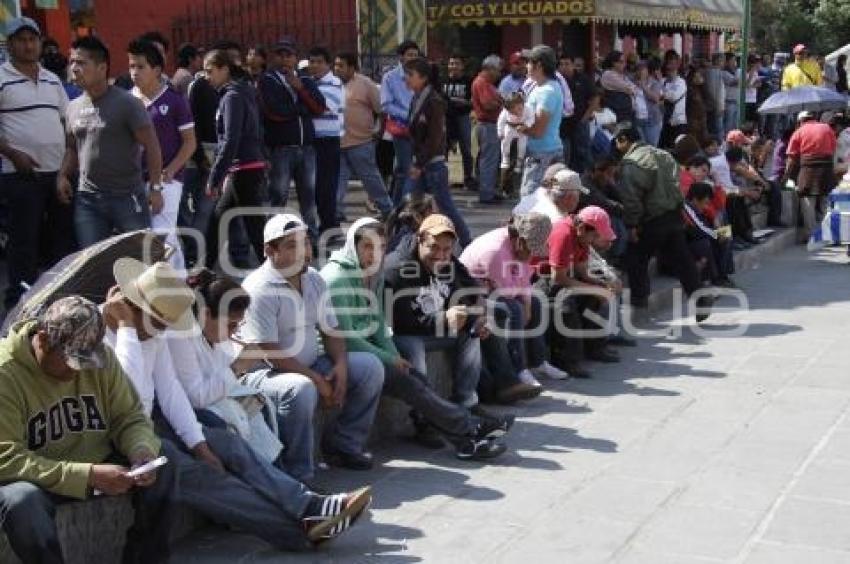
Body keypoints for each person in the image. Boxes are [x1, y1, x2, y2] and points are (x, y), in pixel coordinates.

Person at [100, 265, 374, 554]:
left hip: (144, 427)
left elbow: (170, 392)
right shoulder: (104, 331)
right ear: (135, 308)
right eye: (160, 323)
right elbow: (131, 403)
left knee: (224, 442)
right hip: (113, 434)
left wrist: (200, 445)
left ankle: (308, 504)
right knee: (193, 473)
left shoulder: (151, 331)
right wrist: (128, 330)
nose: (165, 331)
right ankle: (298, 531)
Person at [321, 217, 513, 458]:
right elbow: (346, 339)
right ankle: (469, 426)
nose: (374, 254)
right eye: (367, 247)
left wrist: (392, 355)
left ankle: (468, 440)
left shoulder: (373, 274)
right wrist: (391, 359)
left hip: (370, 349)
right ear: (353, 246)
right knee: (410, 380)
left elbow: (378, 324)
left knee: (414, 378)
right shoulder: (338, 278)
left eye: (380, 247)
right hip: (339, 354)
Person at [239, 214, 385, 471]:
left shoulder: (314, 279)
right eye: (292, 246)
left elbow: (331, 330)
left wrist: (340, 365)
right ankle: (298, 473)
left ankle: (345, 444)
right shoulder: (258, 288)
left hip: (311, 363)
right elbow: (270, 352)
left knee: (370, 368)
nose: (304, 252)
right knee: (300, 389)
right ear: (270, 251)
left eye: (305, 243)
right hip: (266, 373)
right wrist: (316, 380)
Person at [58, 35, 163, 248]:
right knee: (92, 263)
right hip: (88, 200)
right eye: (72, 62)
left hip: (127, 197)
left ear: (102, 67)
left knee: (142, 258)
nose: (74, 68)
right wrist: (62, 175)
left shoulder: (128, 104)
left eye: (81, 62)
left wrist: (156, 188)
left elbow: (152, 147)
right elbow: (72, 148)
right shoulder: (72, 107)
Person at [0, 18, 75, 311]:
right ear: (10, 44)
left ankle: (59, 300)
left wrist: (66, 170)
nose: (29, 45)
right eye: (22, 39)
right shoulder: (2, 77)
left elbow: (68, 127)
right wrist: (12, 153)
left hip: (57, 175)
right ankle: (20, 304)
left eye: (33, 39)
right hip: (20, 175)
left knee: (61, 242)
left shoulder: (52, 79)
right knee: (24, 242)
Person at [384, 214, 486, 409]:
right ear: (419, 241)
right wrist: (445, 319)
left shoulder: (447, 263)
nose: (440, 255)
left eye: (446, 249)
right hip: (399, 334)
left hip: (432, 328)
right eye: (433, 247)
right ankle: (425, 417)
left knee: (470, 334)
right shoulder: (397, 270)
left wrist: (474, 320)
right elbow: (401, 322)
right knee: (413, 347)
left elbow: (463, 294)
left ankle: (466, 405)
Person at [613, 124, 712, 321]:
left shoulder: (632, 163)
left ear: (624, 139)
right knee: (683, 259)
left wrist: (632, 225)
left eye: (617, 142)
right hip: (674, 214)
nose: (616, 147)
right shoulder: (663, 155)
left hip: (652, 218)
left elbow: (631, 198)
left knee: (637, 255)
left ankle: (640, 299)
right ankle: (700, 298)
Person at [460, 213, 569, 388]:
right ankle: (518, 367)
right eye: (531, 249)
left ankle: (538, 361)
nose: (533, 254)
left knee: (536, 302)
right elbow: (506, 290)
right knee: (514, 309)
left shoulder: (520, 246)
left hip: (498, 286)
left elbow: (524, 276)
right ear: (520, 241)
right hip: (473, 294)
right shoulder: (495, 251)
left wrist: (527, 302)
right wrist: (523, 303)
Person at [128, 38, 197, 271]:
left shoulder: (175, 101)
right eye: (131, 66)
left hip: (168, 181)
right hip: (133, 181)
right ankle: (181, 281)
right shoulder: (126, 101)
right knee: (145, 238)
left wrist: (171, 171)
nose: (134, 72)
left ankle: (175, 290)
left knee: (161, 235)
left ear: (156, 70)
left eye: (140, 67)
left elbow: (190, 143)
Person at [202, 48, 268, 269]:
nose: (206, 76)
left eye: (210, 71)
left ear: (224, 69)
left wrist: (215, 176)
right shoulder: (240, 92)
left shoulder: (232, 97)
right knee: (221, 221)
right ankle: (204, 270)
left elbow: (231, 139)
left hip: (244, 169)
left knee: (253, 228)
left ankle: (278, 272)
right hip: (245, 167)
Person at [544, 206, 623, 377]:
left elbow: (582, 271)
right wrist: (593, 289)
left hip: (564, 277)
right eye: (594, 235)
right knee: (566, 303)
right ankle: (568, 360)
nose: (594, 240)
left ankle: (595, 347)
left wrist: (603, 284)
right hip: (544, 281)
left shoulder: (582, 239)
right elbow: (558, 278)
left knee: (596, 295)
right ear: (581, 228)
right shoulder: (564, 235)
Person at [257, 38, 324, 240]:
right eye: (280, 55)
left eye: (289, 55)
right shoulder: (267, 80)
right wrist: (302, 110)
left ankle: (311, 236)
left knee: (309, 197)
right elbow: (274, 112)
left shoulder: (305, 79)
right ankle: (274, 237)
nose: (285, 59)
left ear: (296, 58)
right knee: (278, 195)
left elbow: (319, 108)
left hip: (307, 148)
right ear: (274, 57)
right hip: (281, 149)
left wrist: (300, 89)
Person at [402, 57, 472, 247]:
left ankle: (467, 243)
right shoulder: (417, 98)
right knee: (410, 206)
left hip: (432, 164)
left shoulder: (434, 100)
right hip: (422, 163)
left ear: (423, 78)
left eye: (410, 75)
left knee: (445, 207)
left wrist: (419, 163)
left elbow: (435, 138)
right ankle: (405, 245)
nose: (406, 79)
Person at [334, 52, 394, 220]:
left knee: (371, 180)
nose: (337, 69)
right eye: (336, 65)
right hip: (337, 143)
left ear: (352, 68)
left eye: (341, 66)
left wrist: (379, 131)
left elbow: (381, 110)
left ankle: (387, 210)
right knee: (338, 181)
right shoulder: (332, 84)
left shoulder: (365, 84)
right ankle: (336, 213)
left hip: (361, 142)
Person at [518, 45, 565, 197]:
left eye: (529, 62)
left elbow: (538, 131)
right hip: (547, 149)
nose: (526, 66)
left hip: (542, 153)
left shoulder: (547, 92)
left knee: (530, 198)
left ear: (539, 65)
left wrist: (520, 128)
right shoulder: (544, 87)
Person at [784, 110, 837, 242]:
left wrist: (786, 175)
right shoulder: (827, 128)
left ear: (801, 121)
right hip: (826, 168)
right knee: (825, 200)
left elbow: (791, 157)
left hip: (808, 169)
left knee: (808, 201)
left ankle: (812, 235)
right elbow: (833, 149)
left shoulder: (799, 132)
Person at [307, 46, 345, 234]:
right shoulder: (310, 82)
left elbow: (323, 106)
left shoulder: (334, 83)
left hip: (328, 140)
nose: (315, 66)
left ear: (328, 65)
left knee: (326, 186)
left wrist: (303, 89)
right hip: (313, 140)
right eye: (312, 62)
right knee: (314, 186)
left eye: (319, 62)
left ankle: (330, 225)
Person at [381, 40, 420, 201]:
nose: (413, 58)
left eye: (416, 55)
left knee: (402, 170)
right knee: (406, 168)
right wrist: (408, 115)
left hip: (420, 128)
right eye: (409, 55)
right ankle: (403, 205)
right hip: (401, 127)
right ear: (401, 57)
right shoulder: (390, 77)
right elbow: (386, 105)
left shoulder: (420, 75)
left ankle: (395, 202)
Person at [683, 181, 734, 287]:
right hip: (688, 241)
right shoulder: (687, 207)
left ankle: (723, 275)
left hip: (697, 236)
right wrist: (717, 235)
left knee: (727, 234)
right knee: (708, 242)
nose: (706, 206)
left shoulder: (696, 208)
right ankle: (715, 278)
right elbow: (699, 228)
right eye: (705, 202)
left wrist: (720, 233)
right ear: (695, 199)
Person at [472, 54, 505, 202]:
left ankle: (489, 189)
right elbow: (487, 104)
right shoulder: (482, 83)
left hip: (490, 125)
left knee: (490, 159)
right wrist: (502, 103)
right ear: (490, 69)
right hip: (488, 125)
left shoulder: (487, 83)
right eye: (497, 70)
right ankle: (486, 193)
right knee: (489, 160)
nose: (499, 73)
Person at [442, 54, 475, 190]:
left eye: (456, 63)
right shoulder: (442, 81)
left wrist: (454, 101)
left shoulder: (469, 81)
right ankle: (443, 180)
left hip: (463, 118)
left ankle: (468, 179)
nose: (453, 66)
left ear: (462, 66)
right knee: (443, 150)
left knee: (466, 150)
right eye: (451, 63)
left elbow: (471, 102)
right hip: (445, 119)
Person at [513, 162, 587, 222]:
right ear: (569, 197)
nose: (579, 199)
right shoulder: (557, 221)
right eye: (579, 194)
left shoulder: (537, 195)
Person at [560, 54, 595, 172]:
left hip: (580, 123)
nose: (564, 67)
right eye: (561, 64)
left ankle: (587, 180)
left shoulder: (583, 79)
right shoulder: (557, 80)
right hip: (563, 125)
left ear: (573, 65)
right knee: (566, 155)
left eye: (567, 64)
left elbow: (595, 98)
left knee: (583, 153)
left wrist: (585, 118)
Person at [498, 92, 534, 178]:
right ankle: (505, 158)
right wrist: (500, 132)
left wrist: (525, 126)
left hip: (522, 129)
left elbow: (531, 118)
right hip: (510, 127)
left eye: (519, 109)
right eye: (512, 111)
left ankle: (519, 163)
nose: (516, 112)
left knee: (522, 146)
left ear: (522, 103)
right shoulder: (505, 112)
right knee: (505, 142)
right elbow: (501, 121)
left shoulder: (528, 108)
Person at [599, 50, 636, 124]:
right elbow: (629, 88)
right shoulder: (608, 74)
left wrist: (631, 89)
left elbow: (634, 88)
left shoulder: (621, 75)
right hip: (617, 114)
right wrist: (630, 89)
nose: (624, 64)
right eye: (621, 62)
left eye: (624, 62)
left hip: (626, 113)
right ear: (614, 63)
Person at [634, 61, 662, 147]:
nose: (640, 71)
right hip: (638, 121)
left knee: (651, 148)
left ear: (647, 71)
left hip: (651, 120)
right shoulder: (632, 82)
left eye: (643, 69)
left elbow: (656, 99)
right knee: (641, 148)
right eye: (638, 69)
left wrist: (643, 86)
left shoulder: (654, 83)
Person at [660, 57, 687, 148]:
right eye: (668, 70)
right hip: (665, 119)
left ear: (676, 70)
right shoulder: (663, 81)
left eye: (672, 70)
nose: (670, 72)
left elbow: (674, 97)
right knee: (666, 145)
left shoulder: (681, 82)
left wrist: (663, 95)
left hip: (678, 120)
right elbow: (657, 94)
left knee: (678, 146)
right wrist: (665, 95)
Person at [704, 53, 726, 137]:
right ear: (717, 61)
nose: (723, 63)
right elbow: (712, 91)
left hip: (717, 106)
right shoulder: (712, 72)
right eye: (722, 60)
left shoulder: (717, 72)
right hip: (714, 107)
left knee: (717, 129)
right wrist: (718, 106)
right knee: (717, 130)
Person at [722, 54, 740, 135]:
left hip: (735, 101)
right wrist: (738, 72)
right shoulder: (724, 73)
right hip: (728, 102)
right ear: (726, 62)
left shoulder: (734, 72)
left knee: (734, 126)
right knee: (728, 126)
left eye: (735, 60)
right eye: (732, 60)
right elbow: (736, 82)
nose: (734, 63)